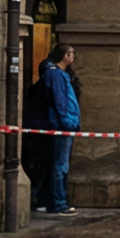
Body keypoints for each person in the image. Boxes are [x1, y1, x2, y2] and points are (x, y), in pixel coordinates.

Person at [40, 45, 81, 212]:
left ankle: (58, 200)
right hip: (62, 125)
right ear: (64, 55)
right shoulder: (56, 75)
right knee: (60, 166)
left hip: (66, 124)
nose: (72, 57)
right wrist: (68, 122)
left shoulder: (61, 74)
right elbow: (61, 102)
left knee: (60, 165)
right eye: (70, 53)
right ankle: (58, 203)